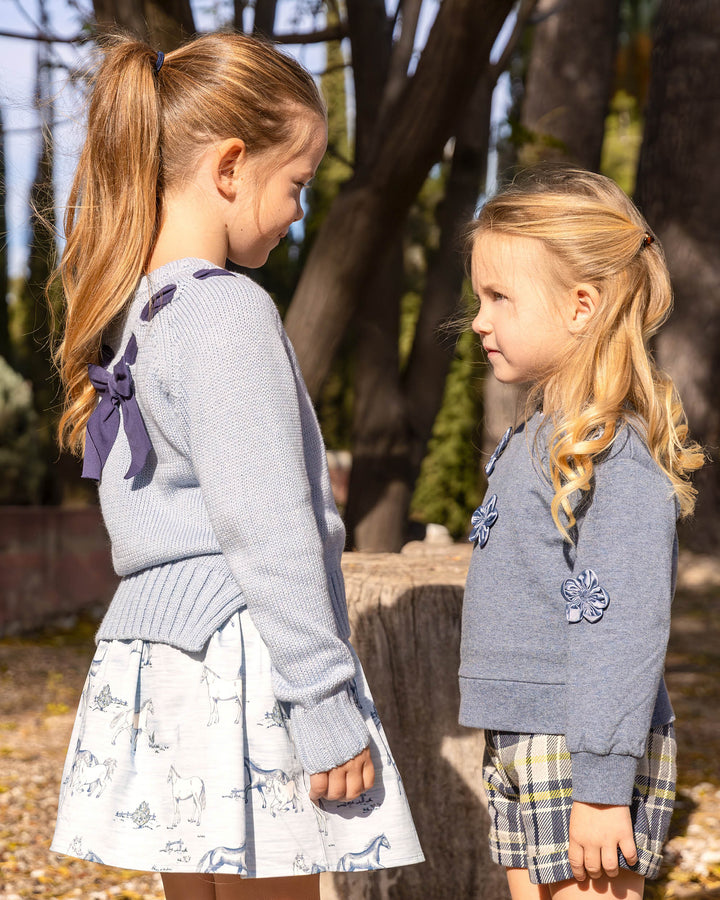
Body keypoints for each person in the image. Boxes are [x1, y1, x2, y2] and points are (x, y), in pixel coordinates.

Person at [50, 32, 423, 900]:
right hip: (242, 655)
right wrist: (325, 701)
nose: (299, 210)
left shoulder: (133, 317)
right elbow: (268, 528)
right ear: (229, 167)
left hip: (159, 658)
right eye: (295, 183)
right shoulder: (225, 312)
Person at [459, 167, 703, 900]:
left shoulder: (612, 455)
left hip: (580, 743)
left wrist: (602, 785)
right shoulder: (537, 436)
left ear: (582, 306)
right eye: (479, 298)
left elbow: (624, 629)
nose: (479, 319)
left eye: (499, 297)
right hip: (519, 735)